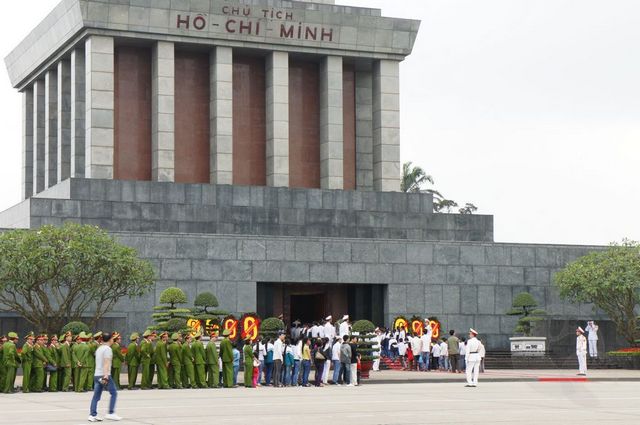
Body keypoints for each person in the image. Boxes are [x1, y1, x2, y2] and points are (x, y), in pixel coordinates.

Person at [88, 332, 122, 422]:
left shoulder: (99, 348)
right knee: (114, 393)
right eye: (112, 339)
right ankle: (111, 413)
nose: (113, 340)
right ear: (110, 339)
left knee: (96, 396)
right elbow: (106, 363)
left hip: (96, 375)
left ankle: (92, 415)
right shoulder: (107, 349)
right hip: (104, 375)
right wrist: (106, 376)